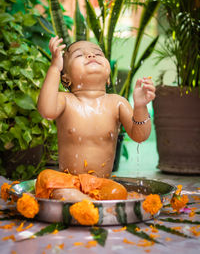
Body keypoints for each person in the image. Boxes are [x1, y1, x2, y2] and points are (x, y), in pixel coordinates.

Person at [37, 36, 156, 179]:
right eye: (80, 55)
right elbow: (46, 110)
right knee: (48, 179)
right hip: (70, 184)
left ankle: (91, 201)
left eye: (98, 54)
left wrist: (141, 107)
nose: (91, 55)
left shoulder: (117, 103)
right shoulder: (66, 100)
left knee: (118, 192)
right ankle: (83, 200)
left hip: (103, 185)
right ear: (66, 78)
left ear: (108, 77)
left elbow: (140, 136)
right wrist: (55, 68)